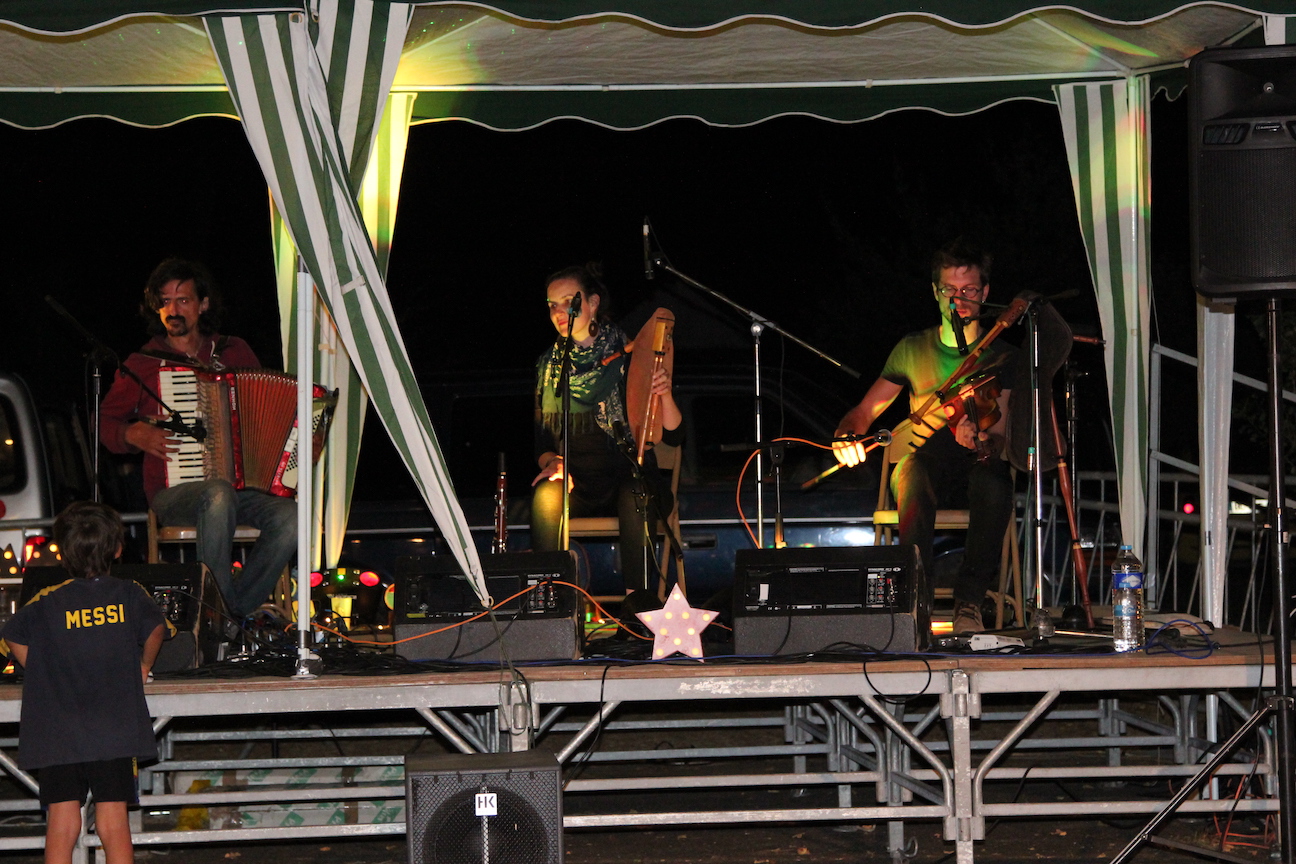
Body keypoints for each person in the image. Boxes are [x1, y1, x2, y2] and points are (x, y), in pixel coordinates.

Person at [833, 240, 1016, 634]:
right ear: (935, 292)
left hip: (976, 466)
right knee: (912, 469)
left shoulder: (1002, 355)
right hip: (926, 470)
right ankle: (915, 602)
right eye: (949, 289)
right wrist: (846, 435)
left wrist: (980, 437)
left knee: (994, 480)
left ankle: (969, 603)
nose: (958, 300)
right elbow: (865, 411)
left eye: (969, 290)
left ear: (985, 293)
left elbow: (1001, 436)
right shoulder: (912, 348)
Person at [99, 258, 296, 620]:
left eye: (183, 300)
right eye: (165, 301)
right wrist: (131, 432)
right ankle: (216, 614)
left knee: (292, 516)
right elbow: (104, 422)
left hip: (240, 490)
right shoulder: (144, 363)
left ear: (203, 304)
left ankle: (230, 614)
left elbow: (267, 409)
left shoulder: (234, 352)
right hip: (174, 493)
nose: (173, 310)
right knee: (217, 493)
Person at [1, 501, 166, 864]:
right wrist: (143, 665)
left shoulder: (49, 602)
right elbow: (157, 628)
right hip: (113, 725)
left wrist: (38, 667)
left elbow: (12, 633)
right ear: (118, 549)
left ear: (62, 554)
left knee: (62, 823)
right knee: (113, 822)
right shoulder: (128, 594)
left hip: (58, 728)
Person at [530, 264, 684, 593]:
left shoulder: (630, 354)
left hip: (633, 477)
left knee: (634, 494)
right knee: (546, 495)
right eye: (552, 305)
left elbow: (674, 435)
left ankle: (638, 607)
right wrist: (553, 462)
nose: (559, 312)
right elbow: (542, 444)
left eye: (569, 302)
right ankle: (552, 602)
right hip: (581, 486)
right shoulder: (548, 367)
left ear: (593, 302)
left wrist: (665, 394)